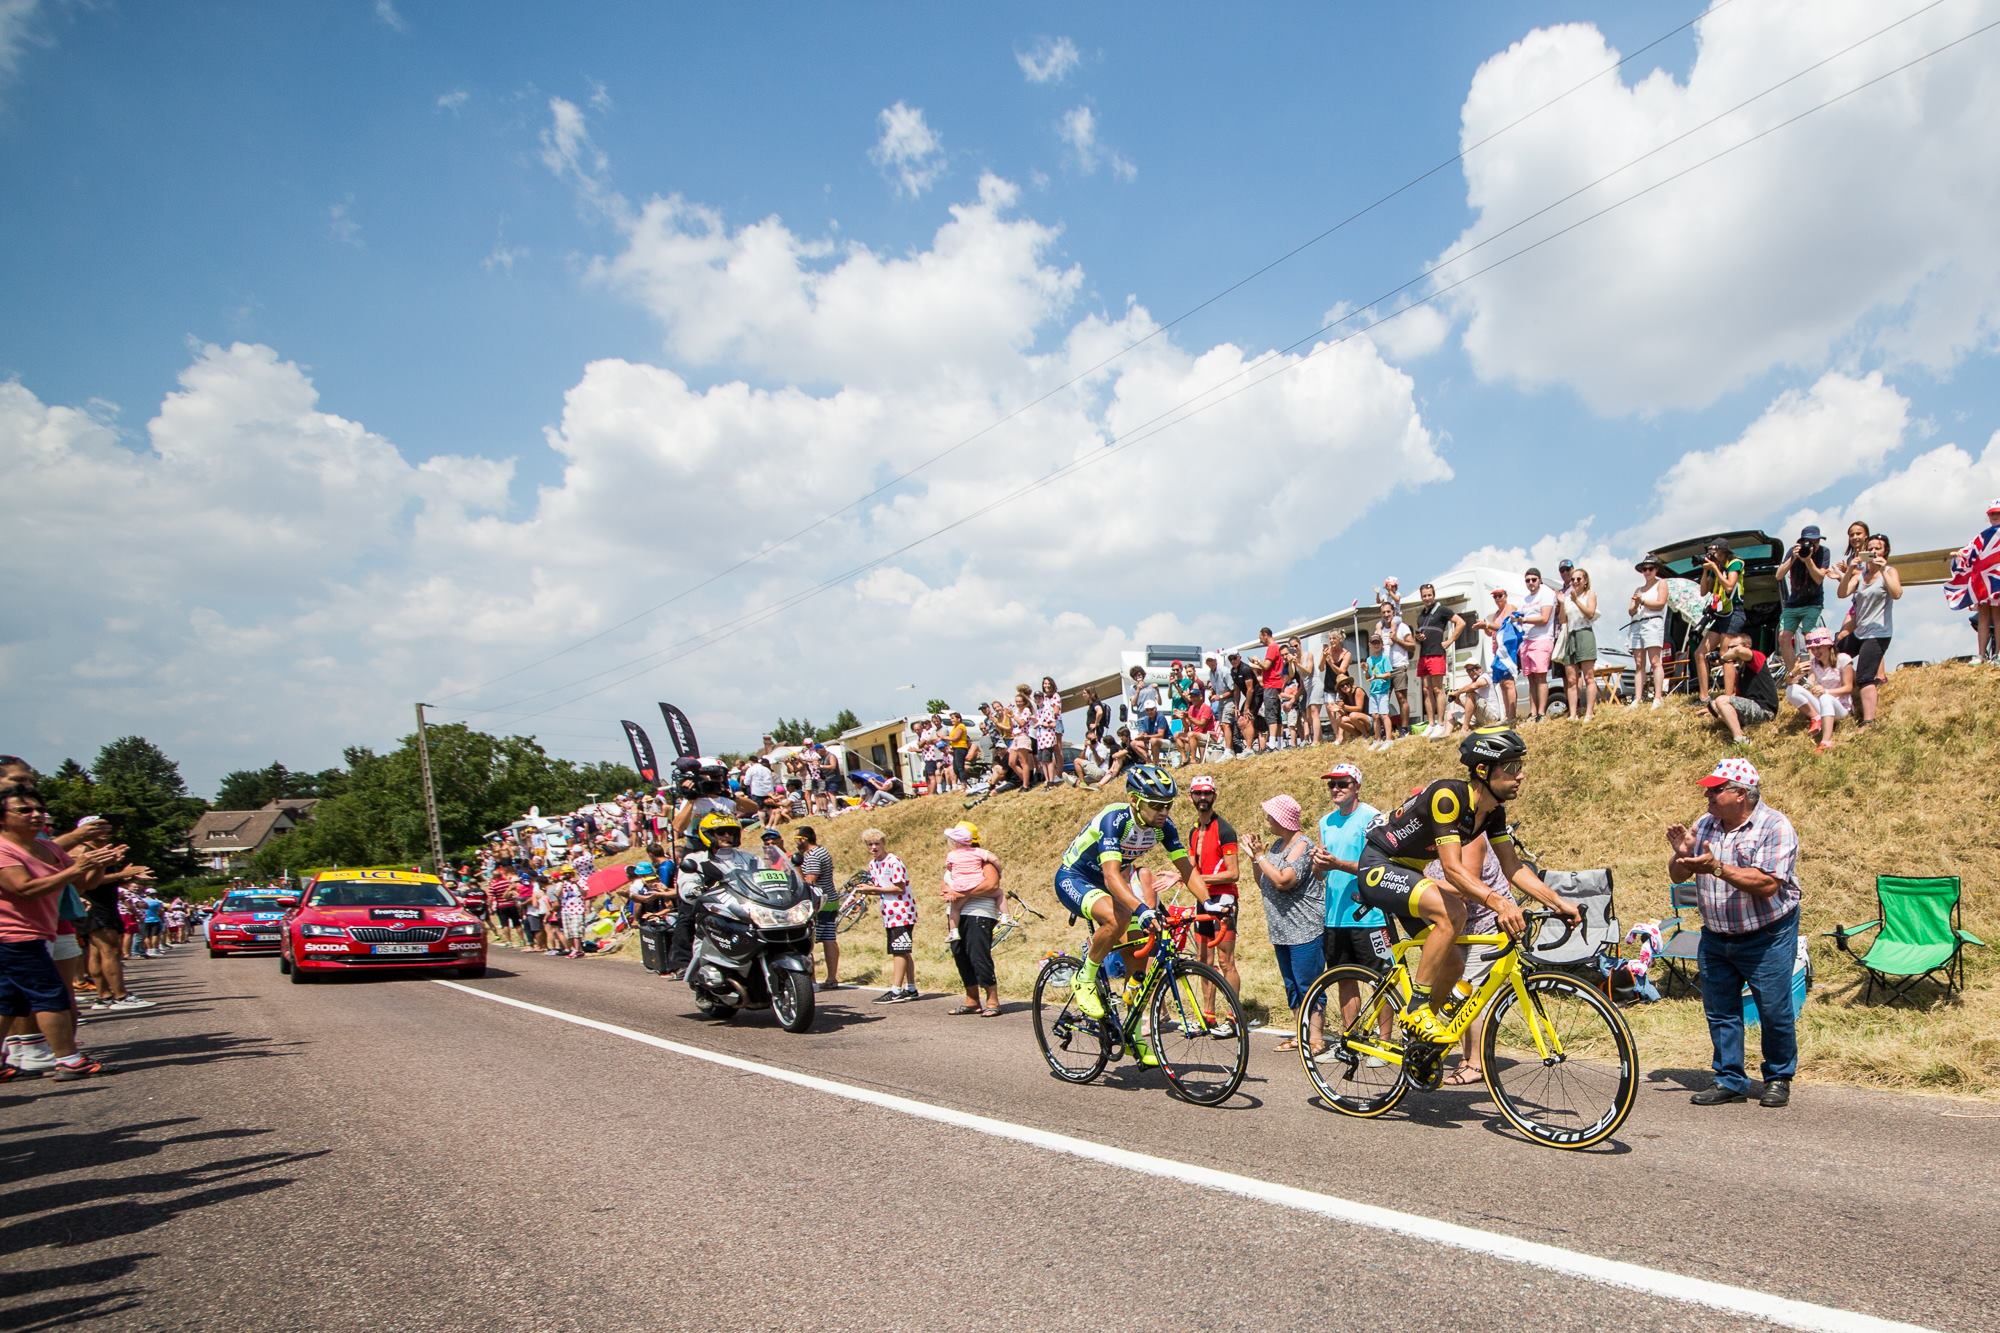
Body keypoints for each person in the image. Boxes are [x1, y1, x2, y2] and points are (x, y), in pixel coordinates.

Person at [1353, 729, 1580, 1045]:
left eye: (1520, 766)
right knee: (1454, 913)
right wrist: (1499, 903)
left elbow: (1513, 868)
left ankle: (1417, 1043)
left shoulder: (1493, 813)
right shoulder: (1448, 797)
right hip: (1380, 866)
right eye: (1512, 768)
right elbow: (1454, 871)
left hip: (1411, 875)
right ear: (1484, 770)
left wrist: (1559, 902)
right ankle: (1418, 1008)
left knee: (1454, 964)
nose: (1521, 775)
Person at [1667, 757, 1801, 1108]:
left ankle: (1778, 1076)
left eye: (1716, 789)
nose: (1707, 795)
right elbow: (1678, 876)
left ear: (1741, 794)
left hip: (1767, 935)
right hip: (1716, 934)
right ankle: (1729, 1078)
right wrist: (1680, 855)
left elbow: (1767, 884)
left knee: (1773, 1009)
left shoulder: (1775, 826)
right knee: (1720, 1009)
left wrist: (1717, 867)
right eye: (1708, 789)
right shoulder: (1706, 823)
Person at [1052, 766, 1199, 1046]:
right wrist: (1141, 909)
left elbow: (1187, 870)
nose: (1163, 812)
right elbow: (1110, 875)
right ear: (1135, 800)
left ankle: (1133, 1037)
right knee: (1117, 916)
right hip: (1076, 877)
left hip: (1112, 884)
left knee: (1139, 949)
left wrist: (1212, 903)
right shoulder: (1115, 819)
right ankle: (1085, 977)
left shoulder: (1163, 828)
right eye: (1156, 805)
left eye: (1168, 805)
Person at [0, 788, 138, 1081]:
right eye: (24, 810)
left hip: (39, 931)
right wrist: (76, 867)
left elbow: (82, 884)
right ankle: (69, 1059)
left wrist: (98, 864)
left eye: (39, 809)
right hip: (13, 934)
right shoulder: (3, 849)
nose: (36, 814)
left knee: (9, 1001)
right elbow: (23, 888)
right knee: (50, 994)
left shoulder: (46, 848)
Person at [1308, 762, 1385, 1055]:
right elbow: (1321, 874)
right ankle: (1353, 1042)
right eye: (1332, 784)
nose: (1336, 789)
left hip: (1370, 915)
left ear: (1357, 787)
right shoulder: (1325, 821)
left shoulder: (1371, 817)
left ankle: (1385, 1041)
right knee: (1344, 980)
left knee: (1381, 981)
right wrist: (1319, 865)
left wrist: (1337, 863)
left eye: (1343, 783)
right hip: (1335, 916)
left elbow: (1375, 867)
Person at [1245, 795, 1322, 1051]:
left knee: (1308, 984)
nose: (1267, 820)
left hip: (1304, 929)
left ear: (1282, 818)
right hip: (1281, 930)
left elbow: (1282, 880)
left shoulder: (1302, 845)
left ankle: (1317, 1038)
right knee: (1292, 985)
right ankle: (1301, 1034)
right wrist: (1255, 859)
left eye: (1270, 815)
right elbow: (1264, 881)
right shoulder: (1277, 846)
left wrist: (1260, 857)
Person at [1184, 775, 1240, 1038]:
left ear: (1214, 796)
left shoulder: (1225, 830)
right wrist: (1187, 877)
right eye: (1198, 794)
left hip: (1224, 900)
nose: (1203, 798)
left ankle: (1233, 1017)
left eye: (1207, 794)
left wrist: (1194, 878)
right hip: (1203, 899)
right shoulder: (1194, 830)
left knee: (1225, 961)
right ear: (1191, 797)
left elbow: (1233, 873)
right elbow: (1191, 867)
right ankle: (1207, 1016)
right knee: (1203, 960)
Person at [1837, 533, 1901, 726]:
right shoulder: (1861, 574)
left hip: (1878, 633)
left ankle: (1868, 721)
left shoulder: (1889, 571)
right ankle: (1845, 694)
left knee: (1866, 675)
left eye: (1878, 548)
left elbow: (1897, 593)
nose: (1873, 551)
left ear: (1885, 551)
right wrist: (1850, 570)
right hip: (1861, 631)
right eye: (1870, 548)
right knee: (1834, 653)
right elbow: (1842, 593)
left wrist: (1882, 570)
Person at [940, 823, 1002, 1016]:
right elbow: (945, 885)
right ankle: (972, 999)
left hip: (979, 912)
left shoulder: (982, 859)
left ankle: (992, 1000)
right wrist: (949, 892)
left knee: (978, 955)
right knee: (960, 954)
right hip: (956, 914)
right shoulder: (955, 861)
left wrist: (962, 894)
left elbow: (992, 884)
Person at [857, 828, 919, 1003]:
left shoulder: (893, 861)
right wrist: (868, 891)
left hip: (902, 910)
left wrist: (873, 889)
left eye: (877, 843)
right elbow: (881, 888)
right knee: (903, 950)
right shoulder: (873, 864)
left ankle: (896, 989)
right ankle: (911, 988)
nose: (874, 847)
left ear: (884, 843)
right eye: (870, 844)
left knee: (899, 950)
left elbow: (899, 887)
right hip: (889, 911)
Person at [1946, 499, 2000, 663]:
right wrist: (1960, 554)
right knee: (1983, 615)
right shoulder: (1983, 535)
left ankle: (1998, 653)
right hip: (1983, 579)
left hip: (1996, 578)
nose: (1995, 516)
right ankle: (1981, 655)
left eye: (1998, 513)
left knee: (1997, 616)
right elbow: (1971, 550)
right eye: (1992, 513)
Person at [1697, 538, 1750, 703]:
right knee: (1700, 653)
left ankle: (1729, 696)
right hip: (1720, 614)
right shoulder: (1716, 568)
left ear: (1723, 551)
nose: (1711, 554)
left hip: (1735, 612)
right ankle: (1704, 696)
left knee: (1725, 654)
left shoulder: (1735, 563)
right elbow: (1703, 591)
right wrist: (1706, 571)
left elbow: (1729, 586)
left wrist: (1715, 568)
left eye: (1714, 551)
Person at [1784, 628, 1855, 750]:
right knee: (1791, 690)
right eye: (1812, 649)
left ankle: (1826, 742)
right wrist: (1793, 673)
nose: (1815, 651)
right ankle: (1816, 717)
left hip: (1841, 708)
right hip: (1822, 705)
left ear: (1828, 646)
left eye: (1818, 647)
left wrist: (1826, 691)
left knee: (1825, 698)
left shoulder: (1843, 659)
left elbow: (1848, 688)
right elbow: (1796, 683)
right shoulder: (1813, 664)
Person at [1775, 524, 1831, 678]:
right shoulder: (1794, 551)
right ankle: (1796, 674)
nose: (1812, 546)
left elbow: (1819, 578)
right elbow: (1778, 576)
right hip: (1793, 603)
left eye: (1816, 542)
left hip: (1813, 602)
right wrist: (1793, 558)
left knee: (1811, 638)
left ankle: (1814, 676)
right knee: (1783, 637)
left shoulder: (1824, 552)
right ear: (1801, 542)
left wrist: (1808, 560)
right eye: (1809, 542)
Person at [792, 826, 841, 990]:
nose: (796, 843)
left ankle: (812, 980)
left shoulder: (812, 856)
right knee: (829, 938)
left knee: (808, 940)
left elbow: (809, 881)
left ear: (804, 839)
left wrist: (797, 868)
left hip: (819, 902)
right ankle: (832, 977)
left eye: (796, 839)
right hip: (830, 899)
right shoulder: (822, 851)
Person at [1414, 584, 1463, 739]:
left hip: (1436, 654)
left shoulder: (1442, 610)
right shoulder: (1421, 615)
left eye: (1429, 595)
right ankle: (1431, 723)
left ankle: (1441, 723)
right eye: (1424, 596)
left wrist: (1450, 640)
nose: (1427, 598)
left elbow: (1461, 622)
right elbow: (1421, 636)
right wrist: (1418, 638)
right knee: (1426, 690)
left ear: (1434, 595)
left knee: (1437, 689)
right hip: (1423, 655)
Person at [1706, 644, 1781, 745]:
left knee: (1721, 700)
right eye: (1729, 648)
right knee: (1714, 704)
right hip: (1752, 708)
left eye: (1732, 647)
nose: (1730, 650)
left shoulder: (1757, 659)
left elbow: (1738, 651)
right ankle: (1739, 729)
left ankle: (1740, 738)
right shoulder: (1741, 672)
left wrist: (1722, 659)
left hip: (1765, 710)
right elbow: (1737, 698)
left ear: (1747, 646)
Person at [1555, 566, 1599, 721]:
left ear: (1585, 581)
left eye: (1578, 579)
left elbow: (1590, 613)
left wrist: (1576, 601)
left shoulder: (1589, 594)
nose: (1575, 582)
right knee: (1571, 679)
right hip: (1570, 635)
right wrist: (1561, 604)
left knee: (1588, 676)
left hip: (1584, 633)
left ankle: (1588, 712)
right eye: (1573, 579)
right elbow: (1562, 620)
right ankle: (1573, 714)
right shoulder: (1567, 598)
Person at [1516, 568, 1558, 722]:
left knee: (1541, 677)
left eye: (1534, 579)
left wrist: (1524, 620)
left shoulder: (1546, 594)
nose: (1531, 583)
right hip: (1526, 641)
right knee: (1531, 679)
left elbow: (1545, 618)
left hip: (1542, 639)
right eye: (1527, 580)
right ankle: (1533, 714)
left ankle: (1541, 713)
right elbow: (1518, 615)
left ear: (1540, 580)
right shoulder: (1525, 599)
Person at [1627, 557, 1670, 707]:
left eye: (1650, 569)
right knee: (1639, 663)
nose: (1647, 572)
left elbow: (1660, 603)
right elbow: (1631, 611)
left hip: (1653, 622)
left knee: (1655, 661)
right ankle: (1637, 698)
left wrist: (1643, 601)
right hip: (1637, 624)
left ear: (1656, 569)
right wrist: (1636, 603)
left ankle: (1657, 697)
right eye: (1644, 569)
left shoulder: (1661, 583)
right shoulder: (1638, 589)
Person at [1477, 587, 1520, 723]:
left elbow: (1503, 627)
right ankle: (1508, 715)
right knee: (1502, 684)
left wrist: (1488, 624)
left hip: (1507, 650)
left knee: (1508, 683)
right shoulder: (1497, 613)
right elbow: (1491, 632)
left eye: (1499, 596)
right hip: (1498, 651)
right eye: (1495, 596)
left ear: (1505, 596)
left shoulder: (1510, 608)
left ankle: (1512, 715)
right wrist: (1485, 626)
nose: (1497, 599)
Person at [1362, 632, 1396, 751]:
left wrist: (1377, 677)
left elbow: (1389, 674)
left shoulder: (1384, 658)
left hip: (1383, 691)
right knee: (1375, 716)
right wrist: (1366, 670)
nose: (1376, 645)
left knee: (1384, 715)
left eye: (1378, 642)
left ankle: (1389, 739)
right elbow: (1367, 678)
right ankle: (1377, 739)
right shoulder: (1369, 660)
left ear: (1382, 644)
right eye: (1373, 643)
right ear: (1370, 645)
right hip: (1373, 692)